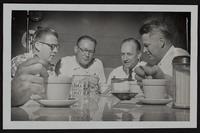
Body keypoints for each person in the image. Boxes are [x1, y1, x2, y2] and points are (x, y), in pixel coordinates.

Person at [134, 19, 189, 96]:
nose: (144, 50)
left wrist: (159, 78)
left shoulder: (179, 57)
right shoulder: (162, 61)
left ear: (162, 42)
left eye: (147, 45)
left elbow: (186, 92)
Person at [11, 27, 59, 107]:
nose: (56, 51)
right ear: (37, 45)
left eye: (57, 47)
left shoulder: (51, 68)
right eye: (52, 46)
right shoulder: (20, 62)